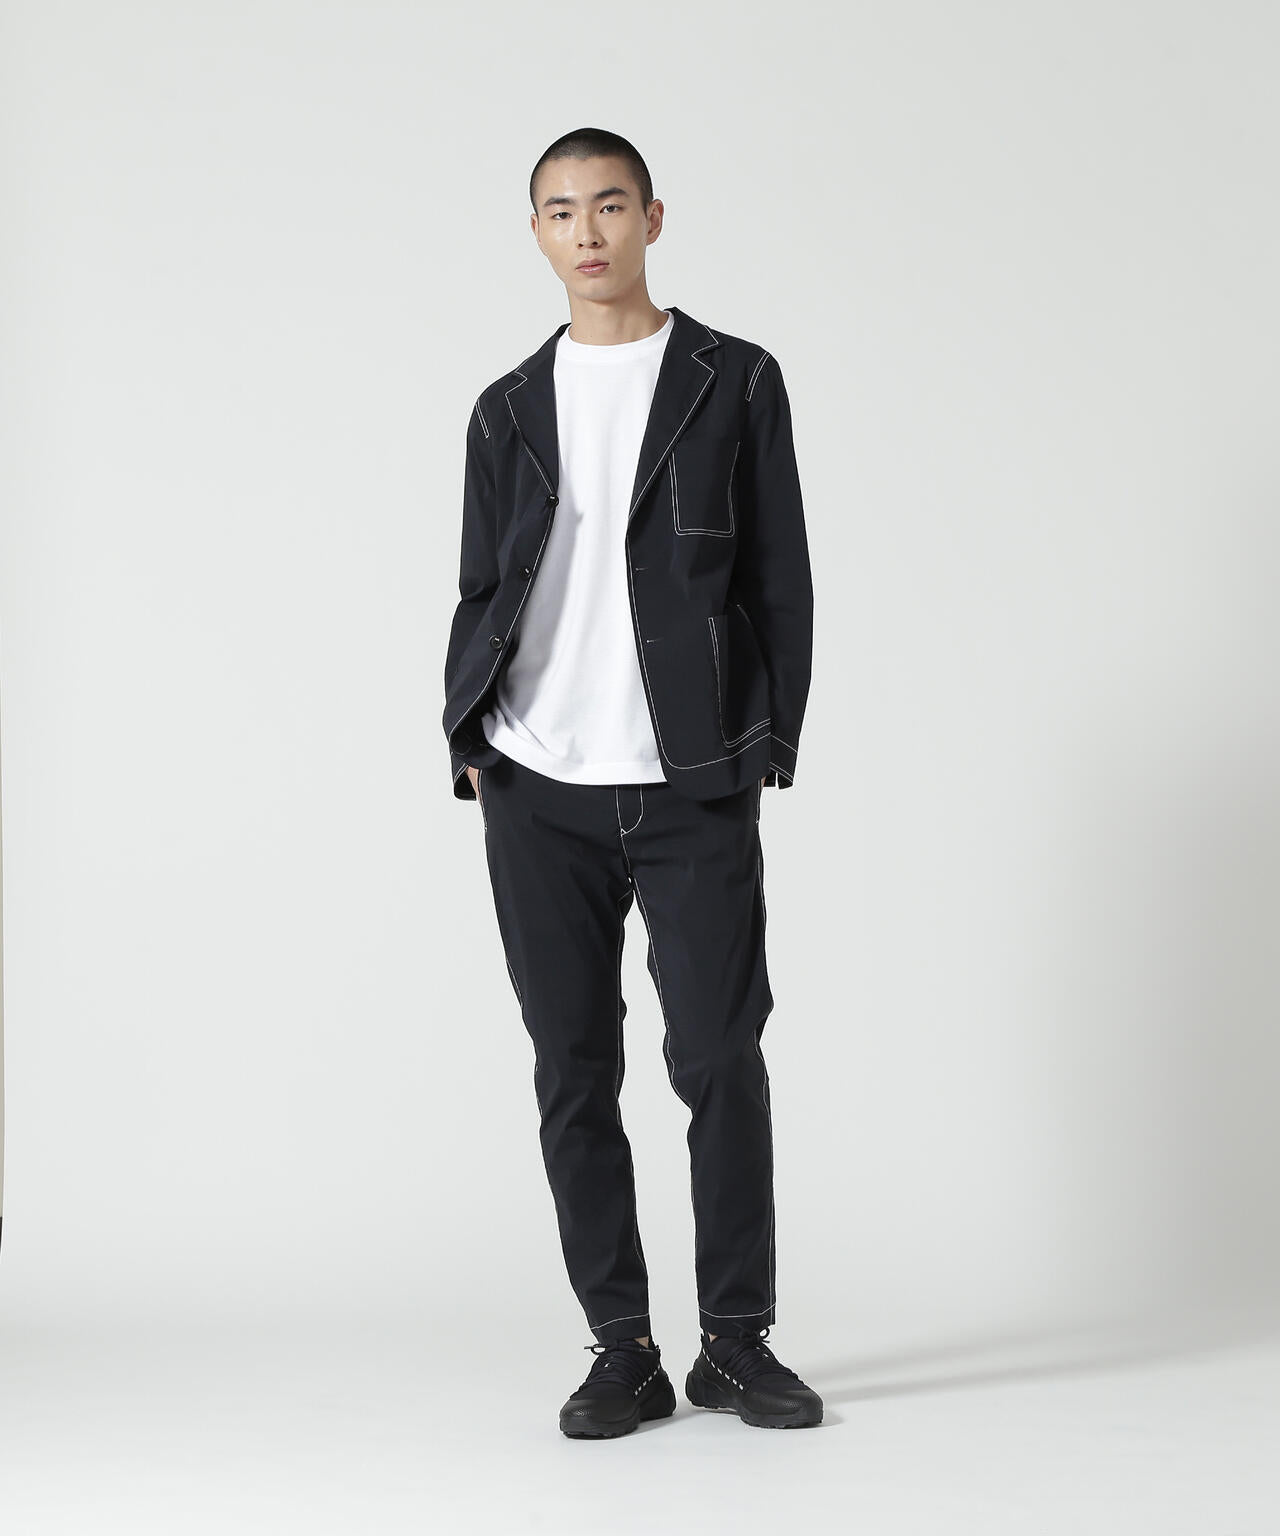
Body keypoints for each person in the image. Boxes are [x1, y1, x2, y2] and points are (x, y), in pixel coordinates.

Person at [441, 126, 820, 1437]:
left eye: (609, 205)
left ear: (653, 218)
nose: (587, 231)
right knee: (573, 1070)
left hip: (690, 777)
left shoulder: (735, 380)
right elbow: (482, 584)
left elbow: (779, 573)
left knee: (719, 1057)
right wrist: (472, 736)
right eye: (561, 211)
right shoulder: (504, 407)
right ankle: (622, 1347)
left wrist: (766, 742)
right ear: (537, 234)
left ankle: (736, 1344)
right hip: (535, 781)